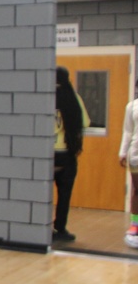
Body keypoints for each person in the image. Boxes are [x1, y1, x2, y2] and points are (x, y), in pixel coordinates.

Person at [53, 66, 89, 242]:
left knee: (43, 193)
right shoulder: (74, 99)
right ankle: (60, 228)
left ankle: (40, 228)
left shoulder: (44, 98)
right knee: (64, 194)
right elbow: (85, 122)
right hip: (66, 153)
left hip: (47, 154)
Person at [117, 80, 138, 249]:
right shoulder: (132, 106)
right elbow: (128, 131)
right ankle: (135, 223)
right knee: (137, 190)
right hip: (136, 155)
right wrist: (122, 152)